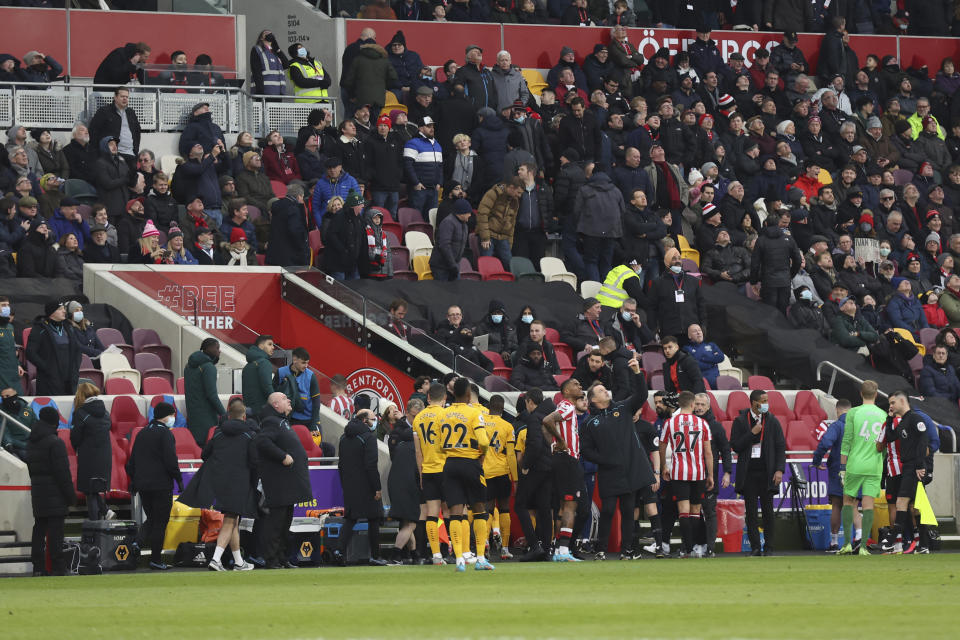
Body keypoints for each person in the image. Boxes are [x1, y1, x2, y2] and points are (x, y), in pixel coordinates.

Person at [580, 355, 654, 560]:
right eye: (602, 391)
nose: (606, 391)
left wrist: (637, 373)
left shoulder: (622, 408)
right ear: (594, 399)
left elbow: (641, 394)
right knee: (609, 510)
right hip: (608, 472)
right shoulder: (588, 423)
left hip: (630, 469)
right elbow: (586, 450)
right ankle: (601, 549)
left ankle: (627, 549)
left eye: (606, 389)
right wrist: (604, 459)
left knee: (629, 510)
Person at [179, 398, 258, 572]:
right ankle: (215, 559)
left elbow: (204, 454)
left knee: (234, 520)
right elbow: (254, 461)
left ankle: (239, 562)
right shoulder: (250, 435)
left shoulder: (218, 433)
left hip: (220, 483)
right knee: (230, 520)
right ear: (244, 416)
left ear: (229, 415)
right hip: (239, 482)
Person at [441, 377, 494, 571]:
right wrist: (481, 457)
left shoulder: (444, 414)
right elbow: (484, 441)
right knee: (480, 508)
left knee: (456, 511)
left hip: (450, 463)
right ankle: (480, 558)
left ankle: (459, 560)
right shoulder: (474, 413)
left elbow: (440, 444)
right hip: (470, 463)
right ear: (469, 394)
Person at [256, 392, 312, 569]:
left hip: (288, 481)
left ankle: (281, 558)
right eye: (284, 398)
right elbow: (262, 441)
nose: (289, 400)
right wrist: (282, 456)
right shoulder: (271, 422)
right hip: (279, 482)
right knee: (277, 523)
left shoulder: (282, 422)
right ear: (275, 405)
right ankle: (271, 559)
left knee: (285, 522)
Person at [126, 402, 183, 571]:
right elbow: (170, 461)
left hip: (143, 485)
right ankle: (156, 559)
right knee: (160, 523)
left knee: (151, 519)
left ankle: (138, 541)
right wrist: (178, 480)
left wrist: (135, 481)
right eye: (172, 415)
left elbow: (132, 461)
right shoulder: (165, 434)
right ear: (166, 416)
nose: (174, 418)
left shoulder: (142, 433)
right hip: (161, 485)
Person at [730, 390, 786, 556]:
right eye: (763, 400)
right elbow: (736, 446)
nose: (766, 403)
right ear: (754, 403)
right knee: (751, 512)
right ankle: (755, 547)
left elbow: (780, 447)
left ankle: (769, 547)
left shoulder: (773, 421)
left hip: (767, 473)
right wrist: (751, 434)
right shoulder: (740, 421)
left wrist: (779, 469)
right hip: (748, 474)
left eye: (767, 400)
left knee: (768, 512)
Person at [659, 391, 714, 558]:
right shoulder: (702, 423)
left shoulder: (670, 423)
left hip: (678, 472)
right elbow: (708, 452)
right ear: (692, 405)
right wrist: (710, 474)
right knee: (695, 511)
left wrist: (663, 466)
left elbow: (662, 446)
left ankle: (688, 549)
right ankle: (692, 547)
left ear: (679, 404)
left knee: (683, 511)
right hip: (698, 472)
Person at [541, 377, 587, 562]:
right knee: (570, 505)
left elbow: (545, 429)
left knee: (563, 506)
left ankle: (560, 549)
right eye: (576, 384)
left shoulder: (565, 407)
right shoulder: (567, 405)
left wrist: (552, 445)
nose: (580, 385)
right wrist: (560, 441)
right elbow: (546, 421)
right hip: (568, 460)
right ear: (566, 391)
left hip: (561, 459)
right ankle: (563, 551)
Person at [836, 380, 885, 556]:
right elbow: (884, 444)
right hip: (874, 466)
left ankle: (847, 544)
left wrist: (842, 467)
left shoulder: (853, 413)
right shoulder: (883, 414)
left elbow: (846, 443)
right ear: (876, 394)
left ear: (860, 394)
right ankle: (863, 546)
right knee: (868, 504)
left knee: (848, 502)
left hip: (855, 465)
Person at [335, 408, 388, 566]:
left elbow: (341, 465)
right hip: (366, 485)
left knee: (351, 518)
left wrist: (345, 484)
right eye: (372, 419)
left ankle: (339, 551)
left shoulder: (344, 437)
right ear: (365, 420)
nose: (375, 421)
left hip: (350, 485)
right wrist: (377, 488)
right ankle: (375, 556)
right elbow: (371, 465)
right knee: (374, 518)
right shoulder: (368, 438)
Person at [26, 407, 75, 576]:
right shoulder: (55, 442)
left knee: (39, 528)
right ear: (54, 422)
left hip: (38, 491)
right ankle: (58, 567)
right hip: (55, 492)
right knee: (56, 532)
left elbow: (31, 468)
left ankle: (38, 567)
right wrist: (70, 496)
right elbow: (63, 473)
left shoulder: (31, 441)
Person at [880, 391, 930, 554]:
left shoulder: (915, 418)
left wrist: (920, 465)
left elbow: (923, 442)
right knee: (915, 507)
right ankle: (923, 544)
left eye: (893, 403)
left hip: (914, 467)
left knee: (902, 503)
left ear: (903, 400)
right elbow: (891, 436)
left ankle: (893, 541)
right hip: (908, 466)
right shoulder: (903, 421)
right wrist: (888, 419)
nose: (891, 406)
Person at [412, 382, 448, 564]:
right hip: (445, 469)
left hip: (427, 470)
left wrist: (421, 474)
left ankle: (436, 555)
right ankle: (453, 550)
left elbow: (418, 452)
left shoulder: (418, 418)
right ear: (444, 398)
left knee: (431, 513)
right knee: (451, 511)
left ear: (427, 398)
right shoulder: (446, 415)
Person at [812, 399, 854, 552]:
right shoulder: (859, 426)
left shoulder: (837, 426)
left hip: (839, 468)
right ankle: (857, 540)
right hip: (858, 469)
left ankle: (834, 542)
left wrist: (817, 460)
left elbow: (825, 443)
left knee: (837, 505)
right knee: (854, 505)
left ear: (837, 411)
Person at [480, 395, 517, 561]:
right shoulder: (507, 426)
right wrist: (515, 478)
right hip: (501, 472)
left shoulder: (480, 423)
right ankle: (505, 548)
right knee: (504, 509)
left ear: (488, 407)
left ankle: (485, 545)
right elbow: (510, 454)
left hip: (484, 472)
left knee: (487, 510)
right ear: (502, 409)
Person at [275, 347, 331, 456]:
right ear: (294, 360)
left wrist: (314, 424)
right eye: (303, 363)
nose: (306, 366)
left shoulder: (311, 376)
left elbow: (316, 402)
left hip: (309, 420)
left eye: (307, 363)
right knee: (290, 450)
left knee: (317, 450)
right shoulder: (281, 372)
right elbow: (273, 394)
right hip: (289, 419)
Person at [387, 407, 424, 564]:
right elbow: (418, 471)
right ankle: (395, 555)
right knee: (411, 524)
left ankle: (414, 555)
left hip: (394, 485)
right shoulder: (416, 451)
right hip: (408, 486)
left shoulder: (401, 447)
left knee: (407, 523)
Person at [69, 383, 111, 521]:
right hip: (104, 455)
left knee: (89, 490)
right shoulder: (105, 412)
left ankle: (96, 523)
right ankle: (105, 511)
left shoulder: (80, 413)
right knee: (94, 488)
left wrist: (77, 448)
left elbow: (75, 437)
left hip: (88, 455)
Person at [750, 212, 802, 314]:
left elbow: (755, 264)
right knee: (782, 313)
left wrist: (753, 282)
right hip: (785, 282)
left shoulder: (761, 241)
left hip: (769, 282)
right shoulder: (789, 239)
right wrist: (790, 275)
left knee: (769, 313)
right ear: (778, 223)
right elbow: (798, 260)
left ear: (765, 224)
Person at [26, 301, 80, 396]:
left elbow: (77, 350)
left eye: (64, 308)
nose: (64, 311)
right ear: (51, 312)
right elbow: (30, 353)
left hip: (69, 380)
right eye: (60, 309)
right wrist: (47, 368)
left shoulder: (68, 327)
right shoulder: (39, 329)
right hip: (49, 382)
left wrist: (75, 368)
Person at [183, 338, 226, 447]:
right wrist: (224, 414)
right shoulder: (208, 367)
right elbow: (212, 395)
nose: (219, 351)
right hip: (207, 417)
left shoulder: (188, 366)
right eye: (217, 348)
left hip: (193, 416)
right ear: (208, 349)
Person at [88, 87, 141, 174]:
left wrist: (136, 150)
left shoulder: (131, 112)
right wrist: (97, 153)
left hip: (131, 154)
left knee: (132, 183)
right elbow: (93, 131)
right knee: (117, 181)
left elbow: (137, 132)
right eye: (122, 96)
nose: (125, 99)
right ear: (115, 97)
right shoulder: (104, 111)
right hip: (113, 154)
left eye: (127, 97)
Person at [476, 178, 523, 270]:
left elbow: (512, 223)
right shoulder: (493, 193)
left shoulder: (515, 200)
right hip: (488, 234)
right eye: (518, 192)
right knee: (487, 265)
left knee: (509, 264)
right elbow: (482, 213)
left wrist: (509, 243)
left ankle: (507, 284)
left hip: (503, 237)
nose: (519, 196)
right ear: (512, 187)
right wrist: (485, 237)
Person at [403, 116, 443, 220]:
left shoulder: (437, 144)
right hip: (419, 190)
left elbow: (440, 166)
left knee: (431, 220)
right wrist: (416, 183)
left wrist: (439, 182)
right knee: (416, 219)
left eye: (432, 126)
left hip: (433, 189)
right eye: (428, 126)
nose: (432, 128)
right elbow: (407, 165)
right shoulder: (412, 143)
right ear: (420, 128)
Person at [266, 183, 310, 267]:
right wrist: (303, 249)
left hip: (276, 254)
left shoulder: (278, 206)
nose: (302, 200)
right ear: (299, 196)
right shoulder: (293, 209)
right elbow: (296, 232)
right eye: (302, 197)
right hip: (290, 257)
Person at [428, 198, 471, 281]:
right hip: (441, 266)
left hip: (453, 265)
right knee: (443, 292)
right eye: (468, 212)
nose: (470, 215)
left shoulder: (464, 225)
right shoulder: (448, 222)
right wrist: (452, 265)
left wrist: (455, 265)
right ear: (461, 213)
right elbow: (444, 245)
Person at [241, 335, 276, 415]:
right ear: (261, 346)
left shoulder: (248, 365)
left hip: (248, 409)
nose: (273, 347)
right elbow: (267, 386)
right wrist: (276, 402)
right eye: (269, 344)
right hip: (261, 410)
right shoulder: (264, 362)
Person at [683, 324, 725, 389]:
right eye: (695, 331)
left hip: (716, 381)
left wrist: (703, 358)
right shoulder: (687, 349)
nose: (698, 333)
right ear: (689, 336)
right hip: (700, 382)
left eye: (700, 330)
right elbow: (694, 365)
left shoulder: (711, 345)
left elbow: (721, 357)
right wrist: (712, 363)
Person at [250, 30, 288, 96]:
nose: (270, 34)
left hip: (278, 91)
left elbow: (286, 64)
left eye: (271, 33)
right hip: (265, 92)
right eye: (266, 33)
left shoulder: (275, 52)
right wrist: (260, 92)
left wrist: (278, 49)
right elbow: (256, 71)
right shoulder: (257, 49)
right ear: (261, 38)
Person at [0, 296, 23, 396]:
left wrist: (18, 364)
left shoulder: (10, 327)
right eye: (3, 305)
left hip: (13, 373)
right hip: (2, 375)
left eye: (8, 305)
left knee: (19, 400)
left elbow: (11, 349)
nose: (7, 308)